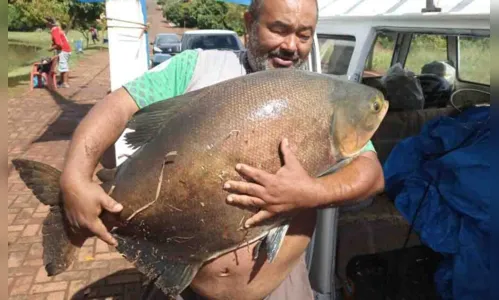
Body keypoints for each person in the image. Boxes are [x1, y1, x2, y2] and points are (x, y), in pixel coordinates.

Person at [60, 0, 385, 299]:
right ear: (249, 23)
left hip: (281, 288)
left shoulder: (325, 98)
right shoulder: (195, 66)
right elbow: (115, 107)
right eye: (279, 29)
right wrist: (75, 178)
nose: (291, 46)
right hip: (185, 287)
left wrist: (309, 193)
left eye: (304, 35)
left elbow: (371, 175)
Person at [45, 17, 72, 88]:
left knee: (63, 66)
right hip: (65, 50)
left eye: (46, 22)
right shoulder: (56, 29)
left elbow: (59, 44)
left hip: (63, 50)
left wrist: (51, 48)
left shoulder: (55, 30)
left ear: (50, 23)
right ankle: (61, 81)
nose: (45, 23)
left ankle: (65, 83)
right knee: (62, 65)